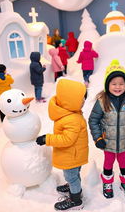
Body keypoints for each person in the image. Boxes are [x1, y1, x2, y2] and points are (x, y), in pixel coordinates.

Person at [88, 59, 125, 199]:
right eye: (114, 84)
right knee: (108, 162)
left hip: (124, 141)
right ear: (107, 84)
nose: (118, 87)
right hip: (107, 142)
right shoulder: (102, 101)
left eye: (121, 84)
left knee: (123, 161)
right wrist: (98, 137)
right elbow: (93, 120)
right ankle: (107, 183)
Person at [36, 78, 89, 210]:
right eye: (81, 99)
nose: (83, 102)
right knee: (73, 175)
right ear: (69, 101)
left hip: (72, 155)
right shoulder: (70, 114)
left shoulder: (72, 118)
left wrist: (46, 139)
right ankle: (73, 187)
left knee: (72, 177)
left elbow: (67, 140)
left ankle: (76, 200)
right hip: (74, 154)